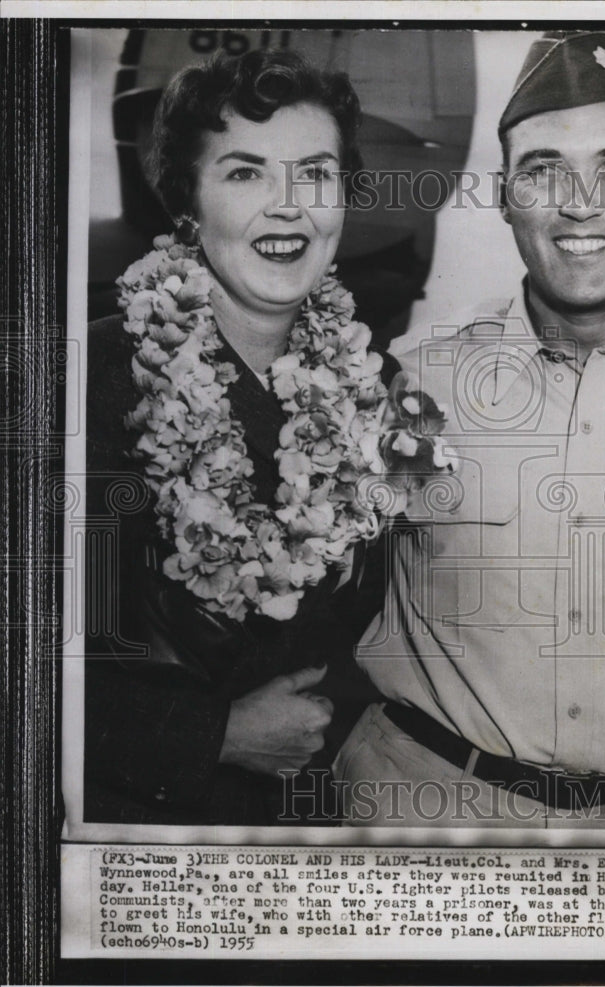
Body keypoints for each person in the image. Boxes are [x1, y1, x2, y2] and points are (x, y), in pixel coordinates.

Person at [334, 31, 605, 828]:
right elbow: (313, 592)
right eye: (543, 169)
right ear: (503, 194)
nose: (579, 203)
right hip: (414, 816)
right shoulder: (412, 379)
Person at [84, 49, 399, 825]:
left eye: (314, 173)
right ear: (186, 202)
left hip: (314, 822)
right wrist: (211, 735)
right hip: (132, 834)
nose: (287, 207)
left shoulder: (377, 387)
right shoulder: (91, 377)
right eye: (245, 173)